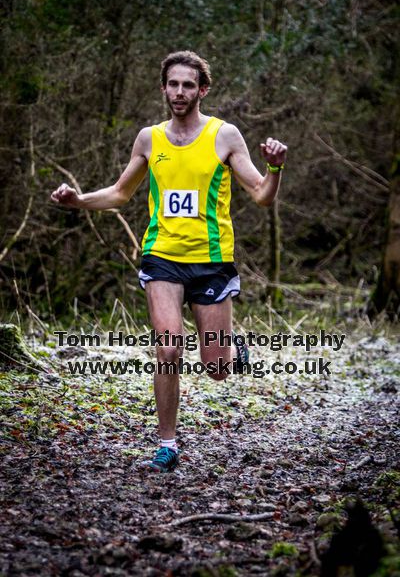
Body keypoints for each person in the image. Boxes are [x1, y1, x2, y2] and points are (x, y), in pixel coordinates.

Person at [51, 50, 287, 473]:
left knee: (216, 368)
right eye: (173, 84)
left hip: (212, 261)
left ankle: (233, 352)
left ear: (203, 90)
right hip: (162, 257)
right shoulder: (149, 138)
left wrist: (275, 170)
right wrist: (79, 201)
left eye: (188, 85)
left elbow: (260, 195)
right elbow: (121, 193)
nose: (180, 92)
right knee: (168, 348)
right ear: (164, 88)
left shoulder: (224, 135)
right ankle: (167, 444)